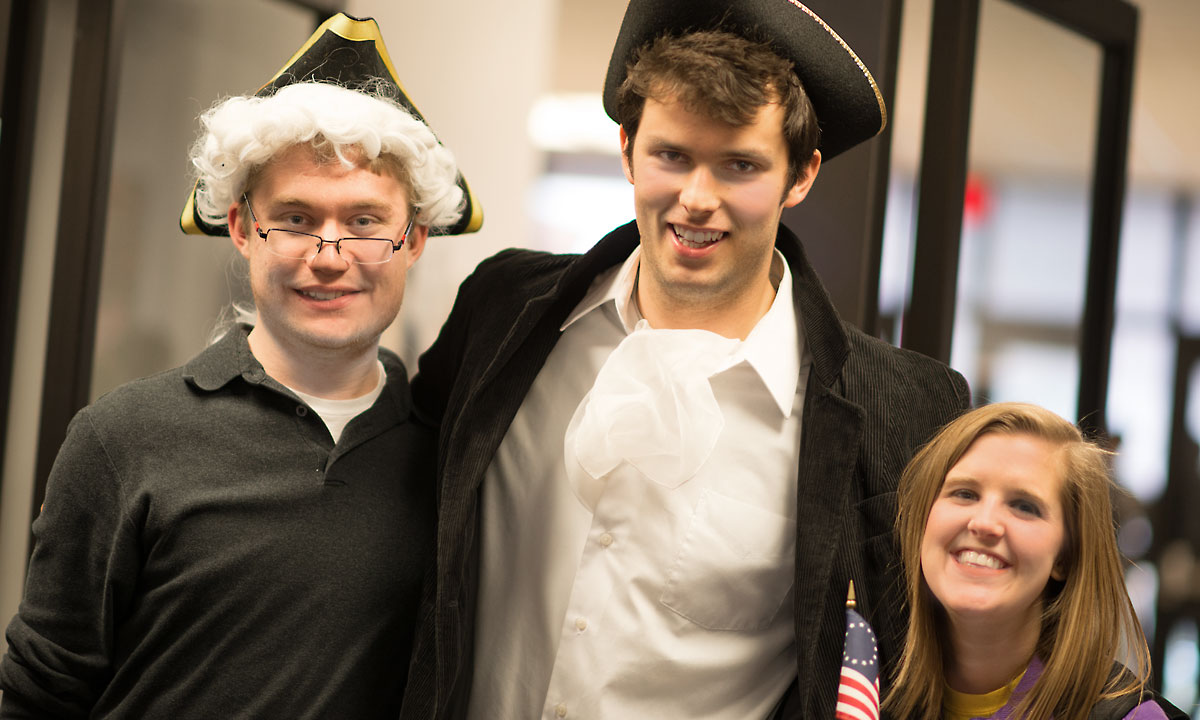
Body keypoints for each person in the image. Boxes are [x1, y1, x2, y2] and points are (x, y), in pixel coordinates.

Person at [401, 1, 969, 718]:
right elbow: (390, 497)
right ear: (628, 149)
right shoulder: (504, 311)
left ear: (802, 175)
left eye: (740, 165)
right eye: (672, 155)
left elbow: (962, 646)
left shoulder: (904, 410)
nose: (697, 200)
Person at [0, 14, 479, 719]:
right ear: (241, 227)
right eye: (295, 218)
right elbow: (40, 696)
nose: (329, 253)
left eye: (366, 222)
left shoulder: (448, 459)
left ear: (414, 241)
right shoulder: (121, 438)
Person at [886, 402, 1187, 720]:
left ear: (1065, 558)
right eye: (965, 493)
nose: (985, 523)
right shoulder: (862, 689)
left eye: (1024, 506)